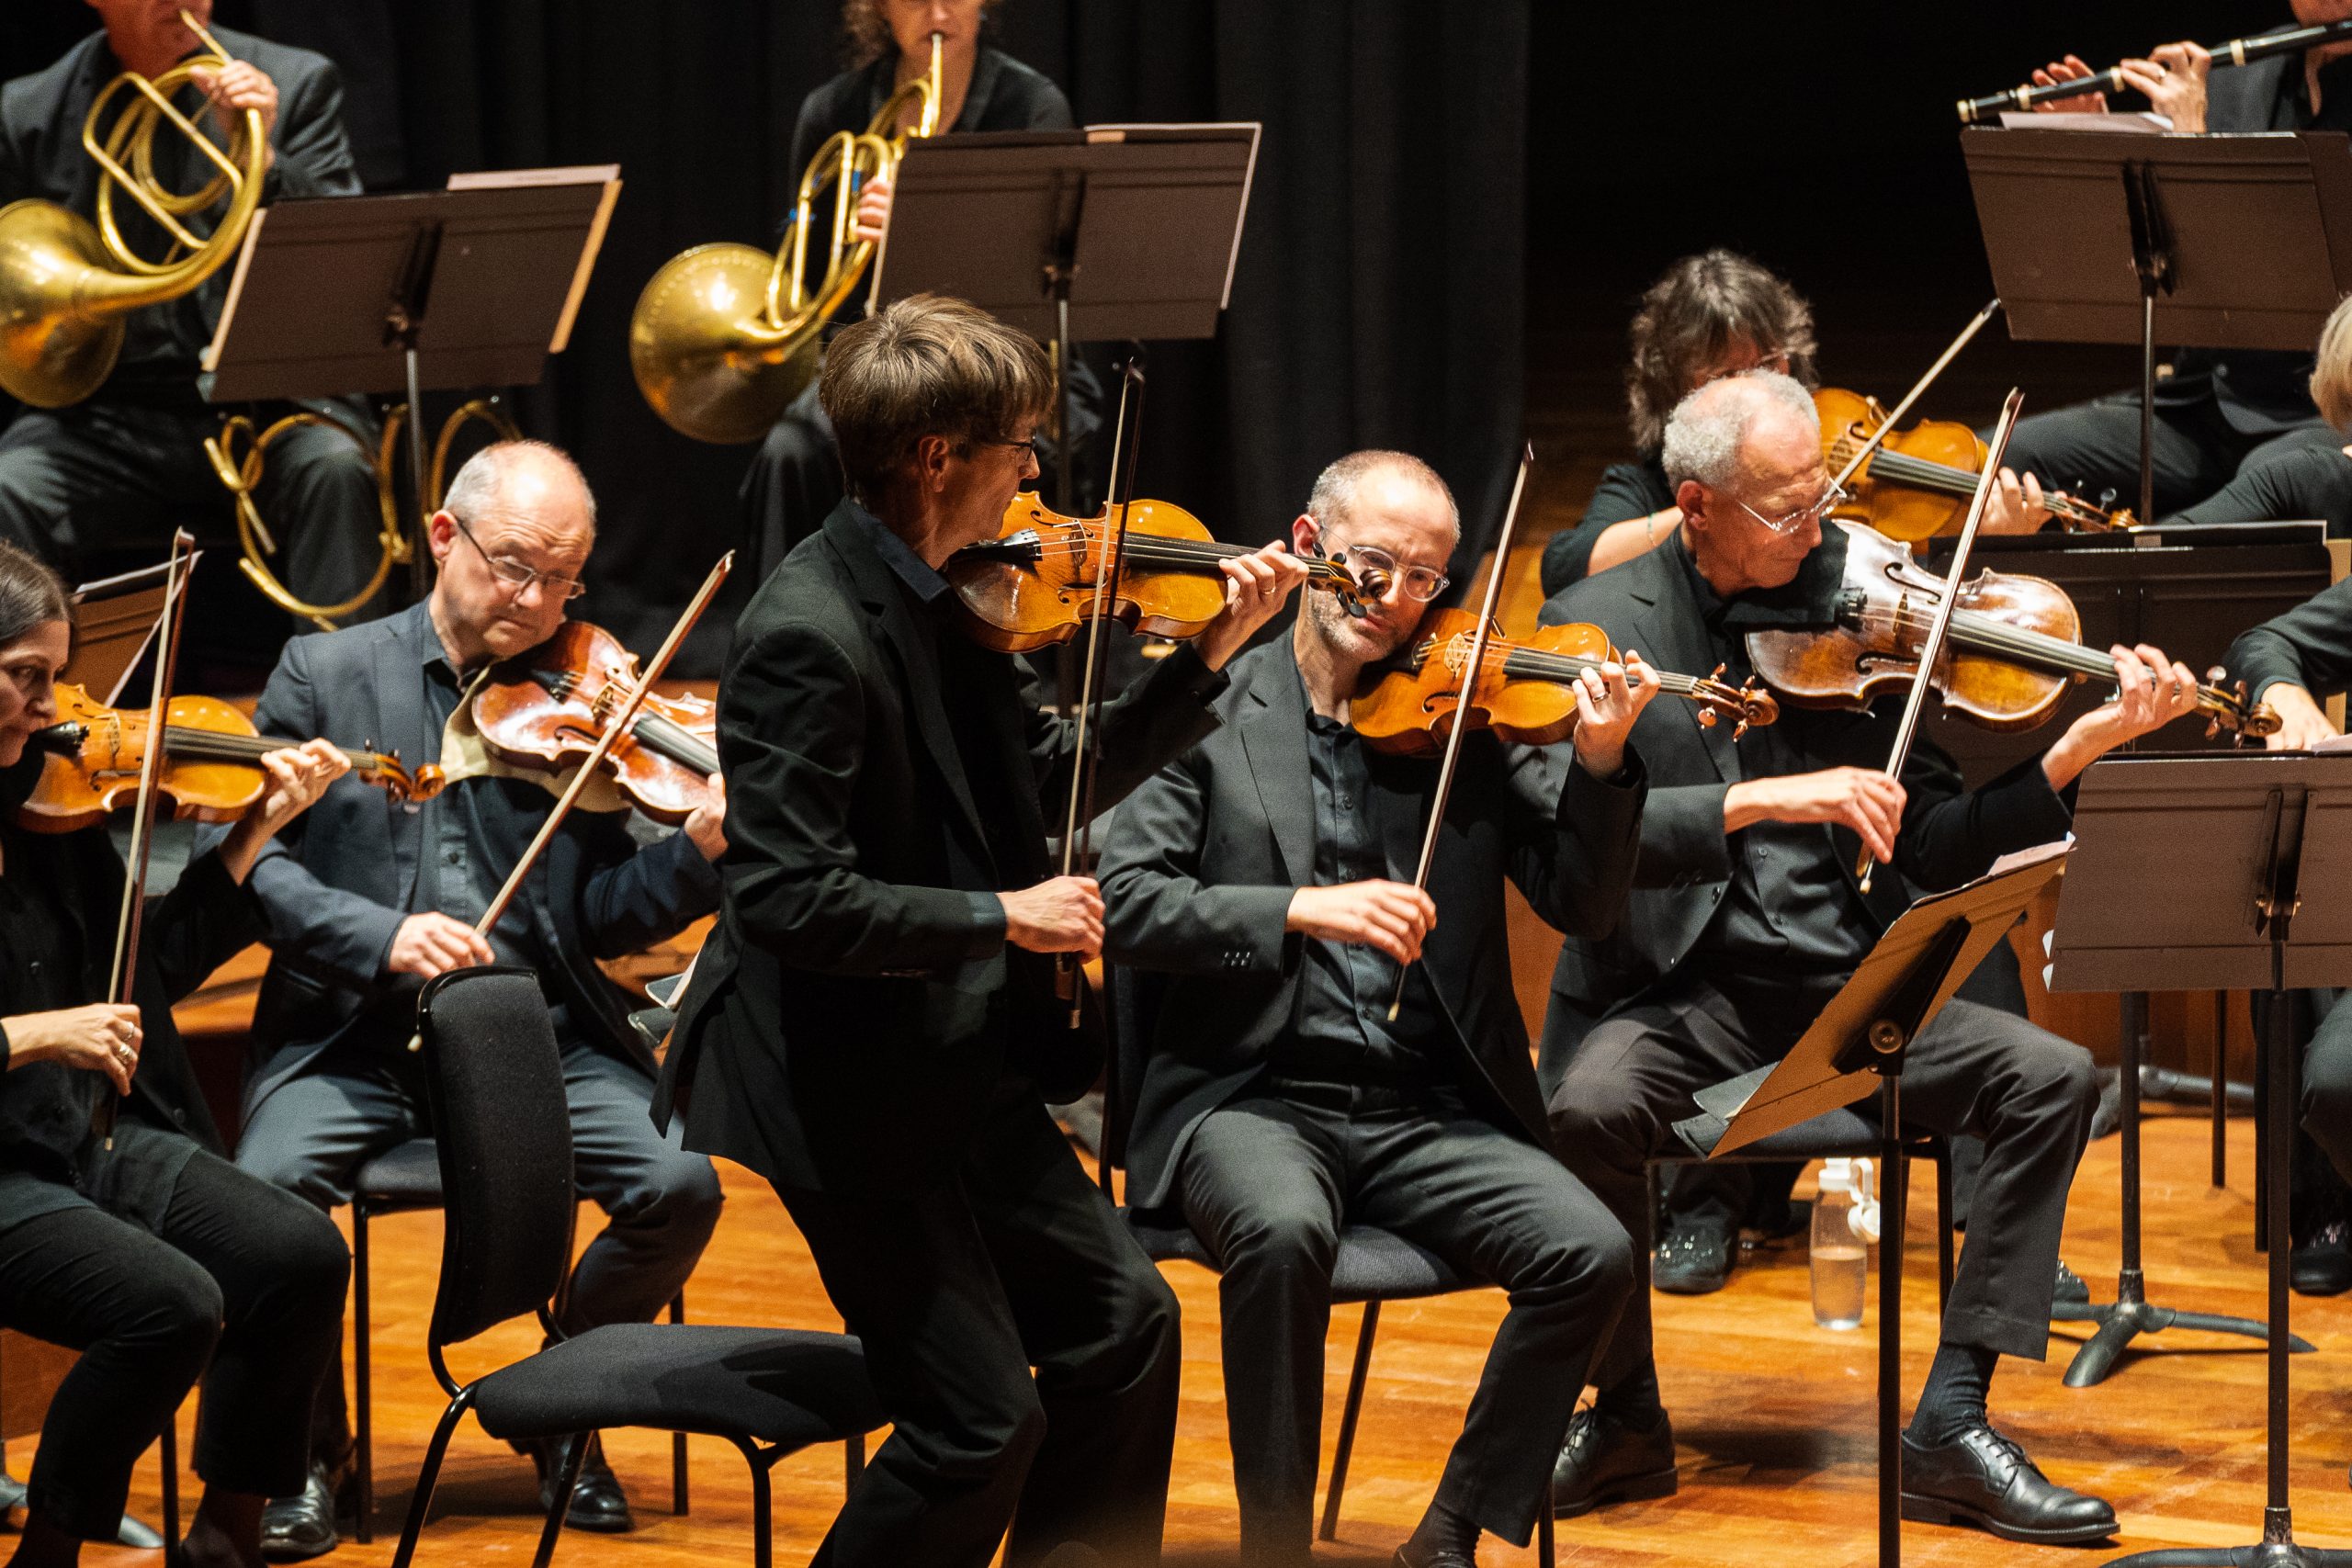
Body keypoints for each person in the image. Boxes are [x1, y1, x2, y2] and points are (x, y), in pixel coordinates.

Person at [653, 291, 1309, 1568]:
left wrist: (1210, 654)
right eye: (1019, 443)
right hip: (837, 1077)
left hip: (952, 1051)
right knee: (976, 1419)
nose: (1039, 471)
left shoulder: (955, 589)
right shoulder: (808, 632)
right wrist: (1005, 915)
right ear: (938, 458)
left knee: (1127, 1326)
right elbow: (787, 901)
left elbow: (1052, 773)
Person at [1540, 370, 2207, 1545]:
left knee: (2048, 1077)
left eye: (1821, 498)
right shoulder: (1598, 628)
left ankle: (1949, 1424)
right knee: (1587, 1104)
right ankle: (1626, 1411)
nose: (1821, 530)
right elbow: (1589, 869)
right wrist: (1757, 800)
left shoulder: (1863, 606)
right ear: (1695, 506)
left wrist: (2077, 750)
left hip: (1851, 986)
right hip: (1687, 997)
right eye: (1785, 509)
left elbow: (1937, 843)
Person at [1098, 450, 1652, 1568]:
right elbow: (1129, 903)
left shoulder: (1464, 720)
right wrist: (1301, 907)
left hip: (1422, 1108)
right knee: (1284, 1231)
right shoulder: (1197, 707)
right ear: (1307, 550)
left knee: (1591, 1251)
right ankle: (1274, 1550)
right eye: (1372, 565)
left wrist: (1600, 761)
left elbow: (1582, 906)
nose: (1396, 601)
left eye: (1424, 581)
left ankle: (1449, 1533)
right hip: (1249, 1097)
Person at [209, 442, 729, 1556]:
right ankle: (302, 1449)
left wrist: (694, 852)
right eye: (512, 568)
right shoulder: (323, 672)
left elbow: (600, 919)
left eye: (562, 580)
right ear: (445, 536)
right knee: (266, 1199)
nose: (536, 603)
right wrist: (385, 935)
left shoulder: (587, 689)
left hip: (532, 1041)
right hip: (351, 1040)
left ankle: (562, 1403)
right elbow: (262, 872)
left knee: (679, 1186)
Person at [0, 539, 352, 1568]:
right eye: (26, 676)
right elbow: (53, 1026)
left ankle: (225, 1542)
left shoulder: (49, 804)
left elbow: (149, 970)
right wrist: (31, 1036)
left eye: (60, 677)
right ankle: (52, 1553)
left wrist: (250, 836)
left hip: (86, 1134)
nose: (53, 705)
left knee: (300, 1254)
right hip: (5, 1165)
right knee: (171, 1306)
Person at [0, 0, 383, 615]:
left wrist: (263, 166)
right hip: (106, 416)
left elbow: (343, 264)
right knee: (7, 486)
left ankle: (334, 701)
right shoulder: (28, 112)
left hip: (269, 406)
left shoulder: (295, 82)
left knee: (336, 469)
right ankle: (26, 704)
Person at [739, 0, 1098, 579]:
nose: (937, 12)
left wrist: (923, 232)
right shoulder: (833, 112)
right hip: (874, 360)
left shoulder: (1030, 107)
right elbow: (810, 292)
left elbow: (1038, 283)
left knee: (993, 449)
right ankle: (789, 640)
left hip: (996, 361)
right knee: (791, 451)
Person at [1996, 3, 2352, 518]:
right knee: (1996, 461)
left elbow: (2304, 277)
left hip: (2324, 411)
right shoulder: (2234, 77)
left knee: (2267, 493)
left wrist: (2191, 141)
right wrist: (2099, 147)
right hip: (2202, 402)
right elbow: (2163, 265)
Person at [1537, 251, 2052, 600]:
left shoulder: (1820, 455)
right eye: (1727, 375)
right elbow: (1563, 570)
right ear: (1673, 392)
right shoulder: (1648, 488)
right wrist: (1721, 507)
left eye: (1769, 365)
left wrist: (1990, 542)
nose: (1757, 386)